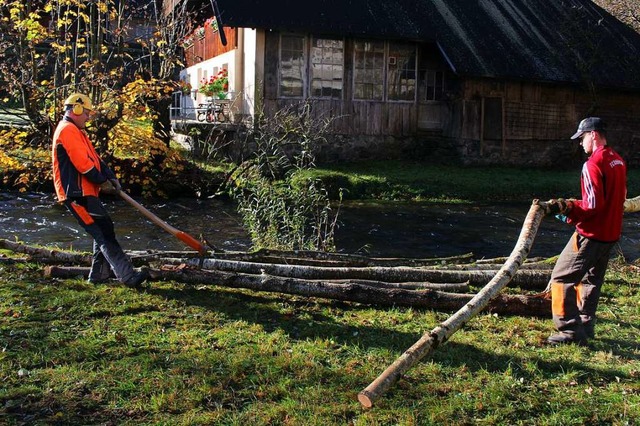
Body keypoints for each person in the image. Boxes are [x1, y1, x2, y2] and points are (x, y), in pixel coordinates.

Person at [51, 93, 149, 288]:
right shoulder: (67, 130)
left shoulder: (78, 132)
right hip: (76, 194)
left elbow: (95, 159)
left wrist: (110, 176)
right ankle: (128, 277)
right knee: (103, 233)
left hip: (85, 192)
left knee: (104, 230)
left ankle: (98, 276)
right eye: (86, 113)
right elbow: (83, 165)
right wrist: (102, 181)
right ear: (76, 110)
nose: (88, 117)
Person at [545, 117, 626, 345]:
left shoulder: (592, 164)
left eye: (581, 138)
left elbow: (591, 205)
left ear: (593, 135)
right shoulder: (618, 161)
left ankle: (569, 330)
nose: (581, 144)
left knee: (561, 277)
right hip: (611, 234)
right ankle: (586, 325)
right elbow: (617, 198)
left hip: (591, 234)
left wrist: (568, 210)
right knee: (591, 280)